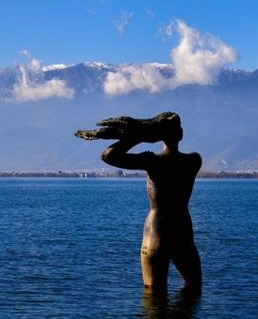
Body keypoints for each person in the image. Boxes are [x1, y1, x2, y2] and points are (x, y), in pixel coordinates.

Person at [75, 112, 202, 292]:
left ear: (159, 137)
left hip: (156, 234)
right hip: (182, 234)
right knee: (194, 289)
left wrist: (137, 137)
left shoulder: (152, 162)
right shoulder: (193, 161)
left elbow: (108, 155)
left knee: (153, 298)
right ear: (180, 135)